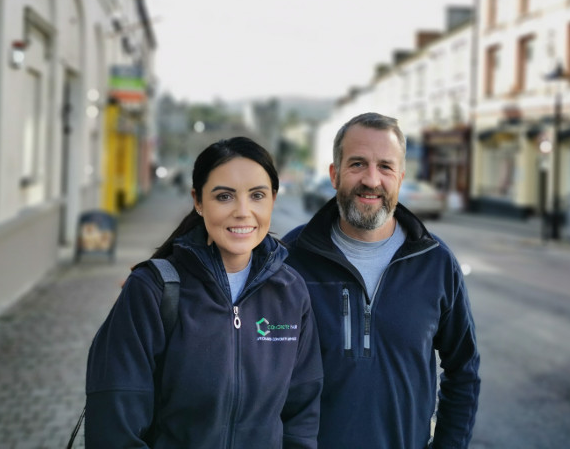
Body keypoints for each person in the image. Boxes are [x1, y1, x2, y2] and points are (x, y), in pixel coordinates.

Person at [85, 137, 323, 448]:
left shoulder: (291, 292)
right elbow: (115, 425)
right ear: (198, 201)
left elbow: (301, 414)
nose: (242, 211)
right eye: (224, 196)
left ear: (273, 200)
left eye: (257, 196)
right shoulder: (152, 290)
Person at [284, 113, 480, 449]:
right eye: (357, 164)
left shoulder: (435, 262)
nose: (372, 180)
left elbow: (463, 370)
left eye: (385, 167)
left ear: (401, 178)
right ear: (334, 174)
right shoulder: (290, 259)